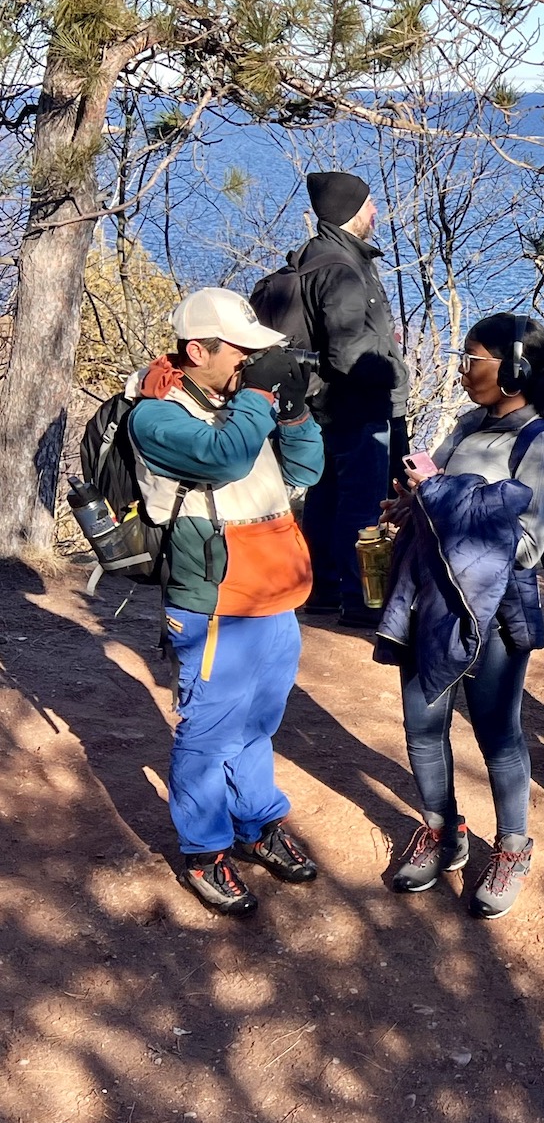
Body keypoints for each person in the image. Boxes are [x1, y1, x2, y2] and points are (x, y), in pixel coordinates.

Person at [375, 315, 544, 918]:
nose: (464, 370)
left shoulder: (539, 441)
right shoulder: (467, 424)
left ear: (516, 367)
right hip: (428, 598)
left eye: (475, 359)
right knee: (421, 723)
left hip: (495, 609)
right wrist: (412, 501)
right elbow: (437, 497)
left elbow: (527, 546)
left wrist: (442, 493)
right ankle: (443, 832)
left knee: (497, 733)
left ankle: (513, 845)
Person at [125, 289, 324, 916]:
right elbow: (223, 458)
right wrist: (259, 401)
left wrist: (293, 415)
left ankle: (256, 823)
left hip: (275, 587)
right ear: (196, 350)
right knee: (210, 729)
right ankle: (204, 849)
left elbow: (307, 472)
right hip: (216, 597)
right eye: (241, 351)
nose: (250, 362)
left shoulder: (237, 403)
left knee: (259, 721)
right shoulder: (156, 416)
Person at [293, 171, 411, 628]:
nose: (375, 211)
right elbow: (346, 352)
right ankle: (360, 600)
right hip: (358, 404)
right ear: (349, 212)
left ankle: (323, 590)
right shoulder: (341, 269)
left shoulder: (320, 256)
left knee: (327, 495)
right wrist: (391, 369)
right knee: (363, 505)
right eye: (368, 205)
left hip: (325, 404)